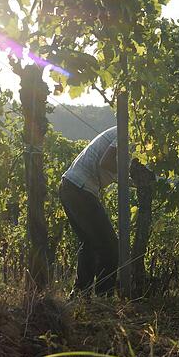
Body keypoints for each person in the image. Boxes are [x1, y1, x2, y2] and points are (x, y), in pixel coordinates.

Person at [60, 126, 125, 298]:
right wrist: (129, 173)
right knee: (110, 246)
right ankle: (104, 297)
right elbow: (107, 162)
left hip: (70, 186)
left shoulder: (124, 131)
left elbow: (114, 169)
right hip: (81, 189)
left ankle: (80, 294)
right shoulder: (128, 131)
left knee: (89, 243)